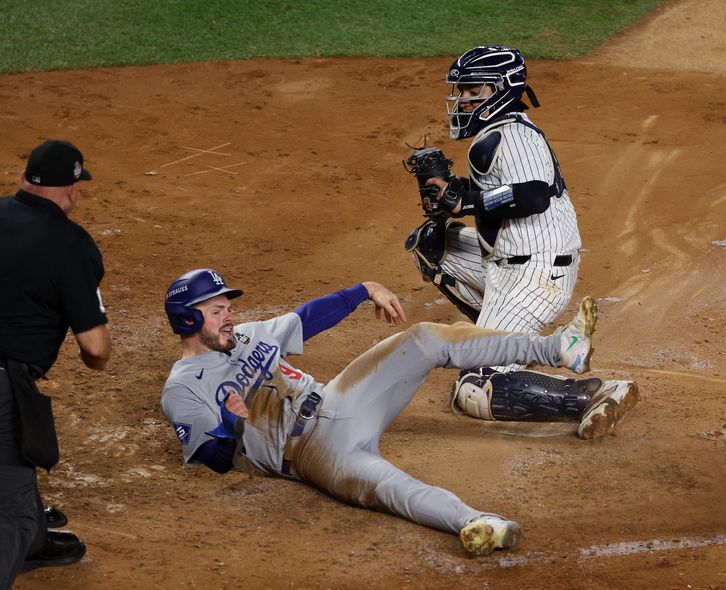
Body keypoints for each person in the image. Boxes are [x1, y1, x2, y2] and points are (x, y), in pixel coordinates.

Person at [159, 268, 618, 554]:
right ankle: (478, 522)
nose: (229, 317)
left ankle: (559, 347)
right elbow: (213, 459)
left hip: (341, 399)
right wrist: (233, 423)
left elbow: (305, 319)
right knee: (391, 488)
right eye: (217, 311)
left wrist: (362, 290)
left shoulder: (247, 336)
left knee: (425, 339)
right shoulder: (183, 388)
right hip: (314, 453)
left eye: (227, 308)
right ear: (188, 319)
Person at [404, 45, 638, 439]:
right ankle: (506, 337)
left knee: (475, 387)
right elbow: (500, 193)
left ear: (500, 90)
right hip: (505, 262)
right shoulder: (497, 133)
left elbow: (532, 196)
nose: (463, 100)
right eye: (462, 91)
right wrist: (451, 191)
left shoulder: (510, 138)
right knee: (432, 244)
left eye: (473, 91)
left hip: (537, 274)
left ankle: (595, 394)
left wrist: (465, 202)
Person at [0, 140, 112, 588]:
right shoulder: (71, 245)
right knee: (11, 517)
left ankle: (33, 542)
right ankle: (25, 534)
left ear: (25, 178)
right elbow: (96, 349)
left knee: (14, 461)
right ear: (71, 189)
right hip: (2, 384)